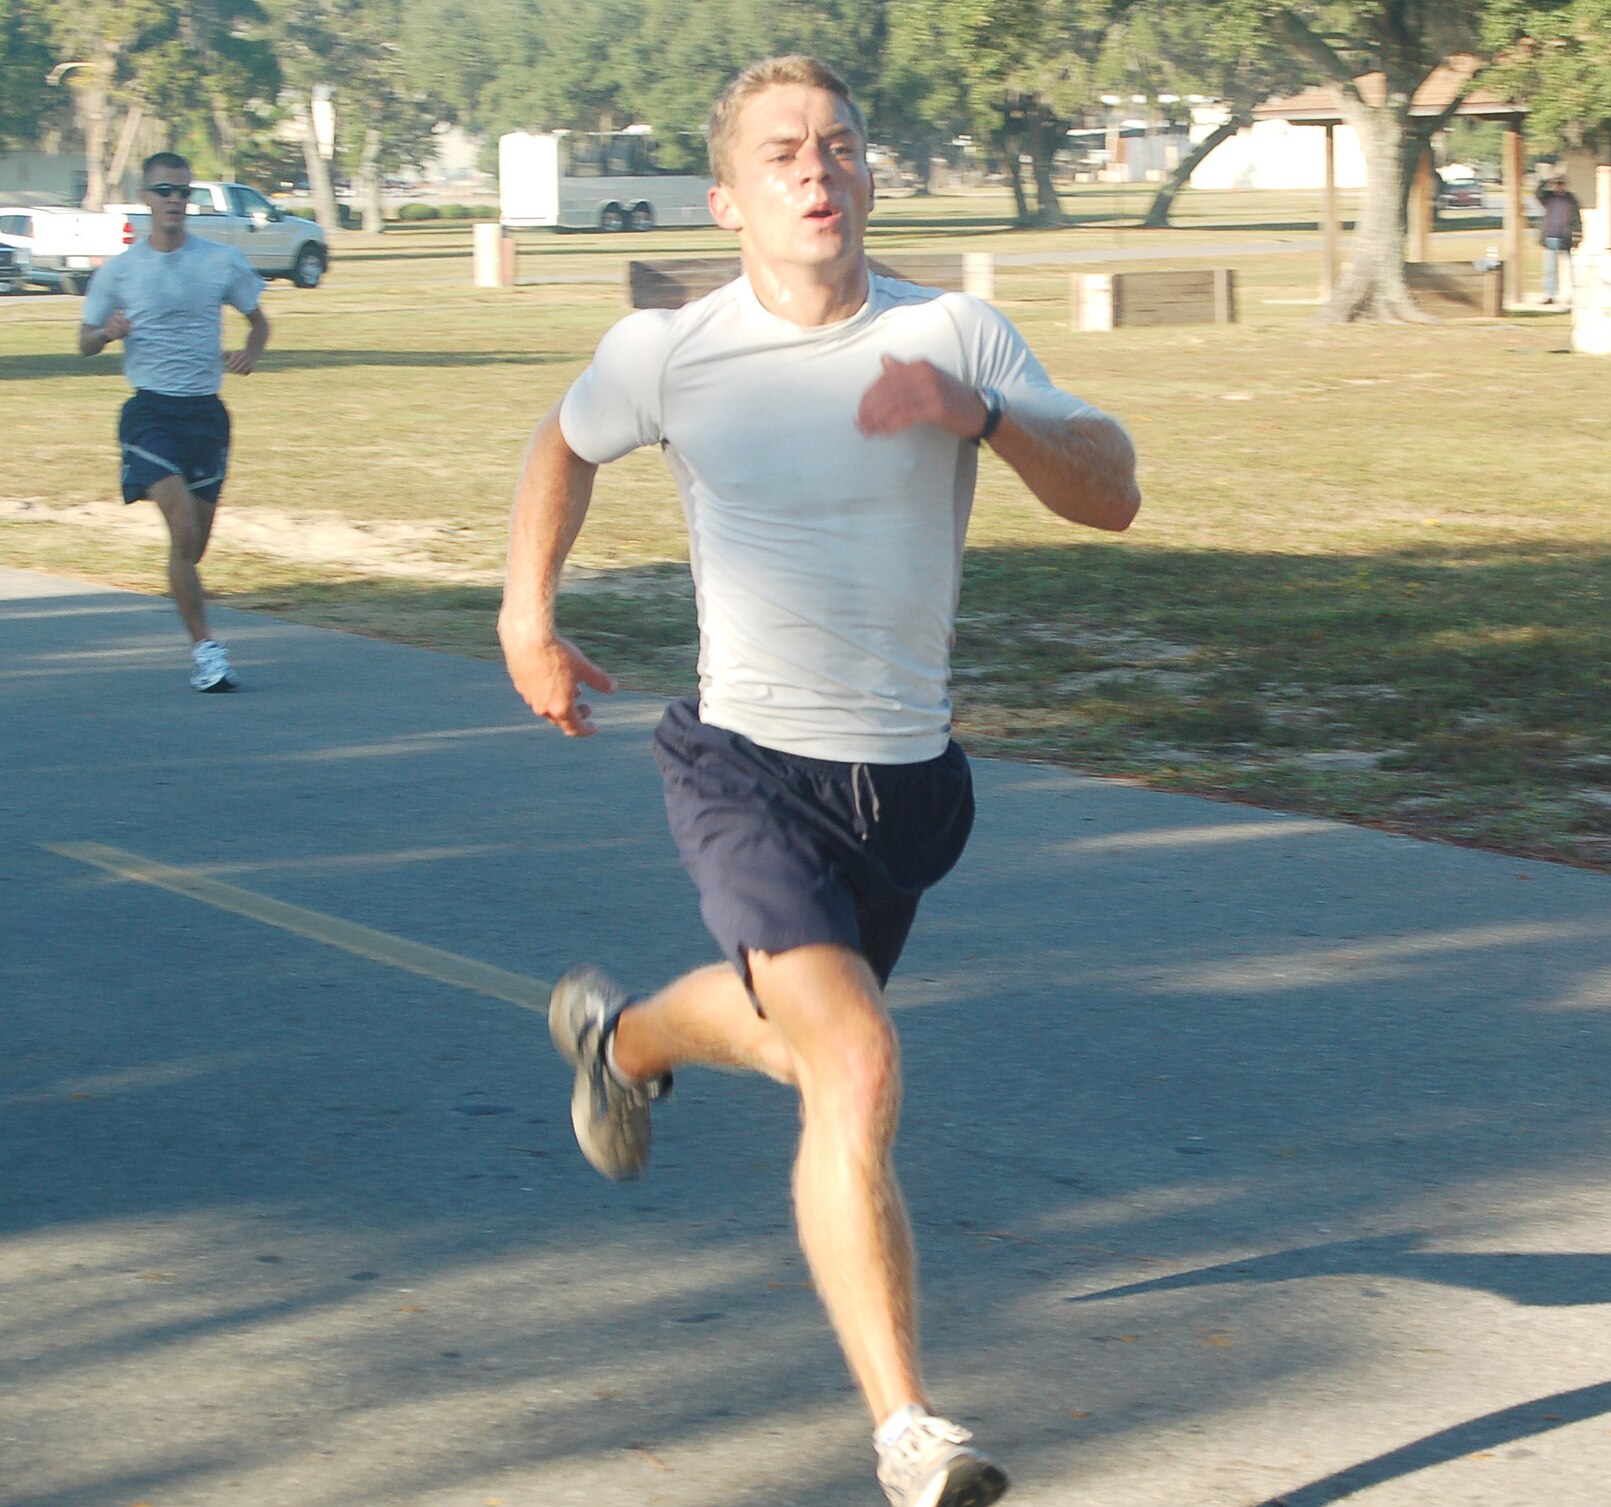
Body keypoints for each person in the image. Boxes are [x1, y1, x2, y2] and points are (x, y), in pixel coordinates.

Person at [497, 54, 1140, 1507]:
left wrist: (977, 417)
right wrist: (524, 611)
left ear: (869, 176)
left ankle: (626, 1045)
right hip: (747, 764)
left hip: (904, 787)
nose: (817, 170)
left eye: (841, 146)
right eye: (783, 152)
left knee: (802, 1036)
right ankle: (910, 1432)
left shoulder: (957, 332)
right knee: (846, 1063)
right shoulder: (672, 348)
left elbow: (1112, 488)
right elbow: (564, 440)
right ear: (729, 197)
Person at [79, 151, 270, 692]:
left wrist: (251, 351)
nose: (174, 201)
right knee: (183, 528)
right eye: (163, 191)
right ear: (145, 198)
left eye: (183, 192)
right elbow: (84, 343)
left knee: (192, 549)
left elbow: (260, 322)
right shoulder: (118, 272)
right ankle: (207, 652)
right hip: (150, 412)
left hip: (206, 414)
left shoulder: (219, 261)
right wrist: (108, 333)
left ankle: (184, 597)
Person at [1537, 173, 1583, 306]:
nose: (1558, 186)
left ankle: (1573, 295)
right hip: (1550, 237)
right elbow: (1537, 192)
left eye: (1560, 184)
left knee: (1569, 269)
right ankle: (1550, 295)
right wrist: (1546, 181)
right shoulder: (1549, 198)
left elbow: (1577, 220)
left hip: (1566, 238)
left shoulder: (1571, 199)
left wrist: (1577, 237)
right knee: (1550, 270)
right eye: (1556, 184)